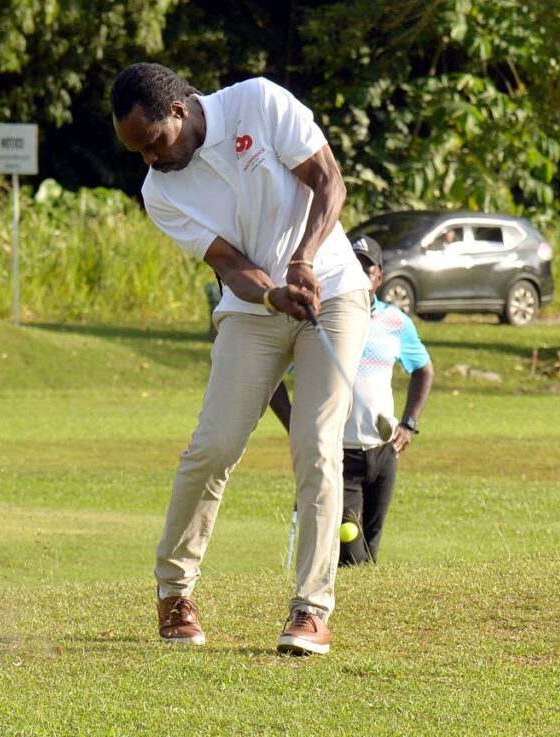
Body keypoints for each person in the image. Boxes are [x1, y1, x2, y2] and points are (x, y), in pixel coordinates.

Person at [110, 62, 369, 656]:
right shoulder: (159, 192)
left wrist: (303, 260)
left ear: (179, 111)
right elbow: (228, 264)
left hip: (332, 289)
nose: (150, 160)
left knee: (317, 442)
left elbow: (328, 179)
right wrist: (275, 292)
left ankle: (310, 610)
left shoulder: (257, 102)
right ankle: (175, 593)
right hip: (254, 311)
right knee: (214, 446)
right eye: (138, 152)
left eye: (153, 144)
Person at [267, 235, 433, 565]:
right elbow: (271, 378)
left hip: (384, 453)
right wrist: (297, 424)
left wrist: (409, 424)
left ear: (379, 276)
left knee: (370, 552)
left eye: (366, 269)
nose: (359, 274)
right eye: (352, 266)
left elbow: (424, 370)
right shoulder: (318, 320)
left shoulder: (396, 322)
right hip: (338, 454)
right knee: (352, 556)